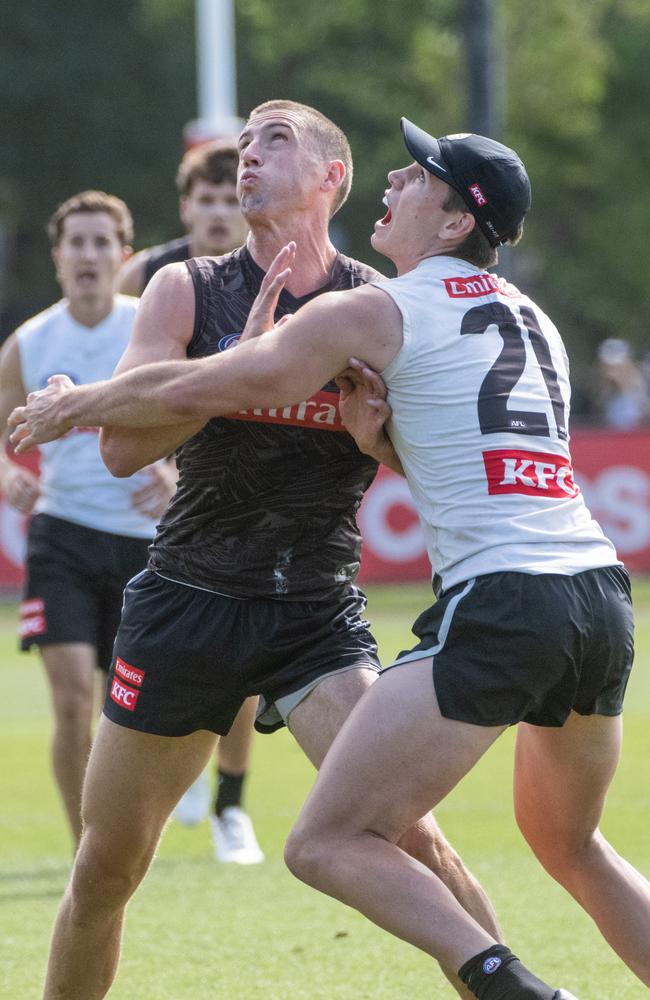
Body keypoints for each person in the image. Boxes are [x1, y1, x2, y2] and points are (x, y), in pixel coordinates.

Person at [14, 116, 650, 998]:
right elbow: (124, 452)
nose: (247, 154)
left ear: (330, 176)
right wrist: (228, 368)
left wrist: (355, 429)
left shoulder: (373, 300)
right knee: (106, 869)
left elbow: (410, 444)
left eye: (272, 139)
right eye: (242, 142)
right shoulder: (187, 287)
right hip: (190, 595)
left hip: (316, 611)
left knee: (414, 841)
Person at [0, 190, 176, 850]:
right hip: (62, 535)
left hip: (144, 545)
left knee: (126, 710)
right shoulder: (30, 342)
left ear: (123, 255)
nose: (89, 254)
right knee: (72, 699)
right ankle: (86, 854)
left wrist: (173, 475)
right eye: (77, 241)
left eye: (103, 242)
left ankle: (121, 836)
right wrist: (10, 473)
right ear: (57, 257)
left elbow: (196, 414)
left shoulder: (150, 331)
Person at [120, 138, 263, 862]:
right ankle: (181, 781)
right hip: (146, 485)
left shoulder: (278, 275)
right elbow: (115, 382)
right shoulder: (148, 276)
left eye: (226, 197)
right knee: (159, 649)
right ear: (184, 207)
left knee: (241, 654)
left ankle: (232, 805)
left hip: (231, 493)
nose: (215, 212)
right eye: (202, 199)